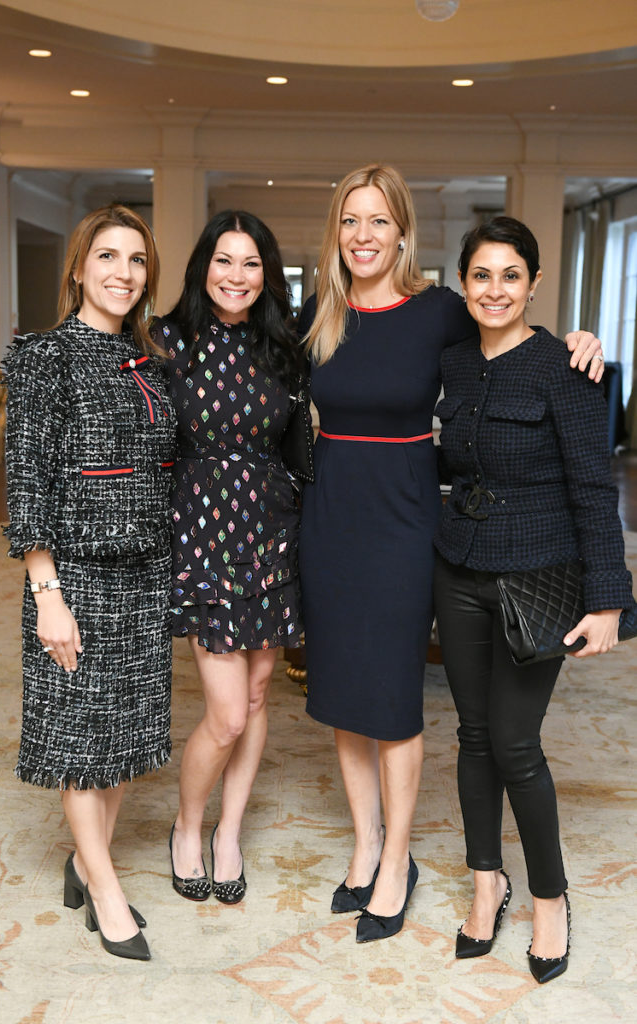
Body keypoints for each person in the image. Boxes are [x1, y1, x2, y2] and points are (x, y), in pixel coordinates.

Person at [298, 164, 605, 944]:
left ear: (403, 232)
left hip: (405, 526)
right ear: (336, 231)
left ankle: (395, 861)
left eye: (378, 220)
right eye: (350, 220)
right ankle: (365, 845)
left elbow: (510, 341)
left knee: (392, 694)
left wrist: (578, 340)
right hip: (331, 522)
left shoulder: (438, 310)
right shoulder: (318, 312)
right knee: (342, 690)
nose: (363, 235)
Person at [432, 215, 636, 982]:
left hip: (536, 577)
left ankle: (549, 898)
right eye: (480, 275)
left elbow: (593, 490)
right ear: (462, 284)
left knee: (515, 744)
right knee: (472, 735)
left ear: (533, 283)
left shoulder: (565, 368)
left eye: (510, 275)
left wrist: (608, 600)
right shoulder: (453, 361)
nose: (494, 290)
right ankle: (486, 882)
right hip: (457, 570)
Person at [4, 205, 176, 962]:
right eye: (107, 256)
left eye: (136, 260)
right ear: (78, 268)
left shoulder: (148, 358)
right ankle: (105, 891)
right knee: (80, 738)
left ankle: (85, 862)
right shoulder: (45, 357)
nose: (122, 273)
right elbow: (26, 482)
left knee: (125, 735)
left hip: (145, 574)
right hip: (74, 576)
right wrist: (47, 595)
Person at [155, 210, 304, 905]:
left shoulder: (287, 346)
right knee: (228, 714)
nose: (236, 276)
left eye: (251, 263)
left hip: (272, 529)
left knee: (256, 694)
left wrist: (564, 341)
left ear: (266, 274)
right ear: (202, 267)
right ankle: (187, 825)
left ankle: (229, 833)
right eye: (224, 260)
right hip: (200, 531)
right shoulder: (166, 340)